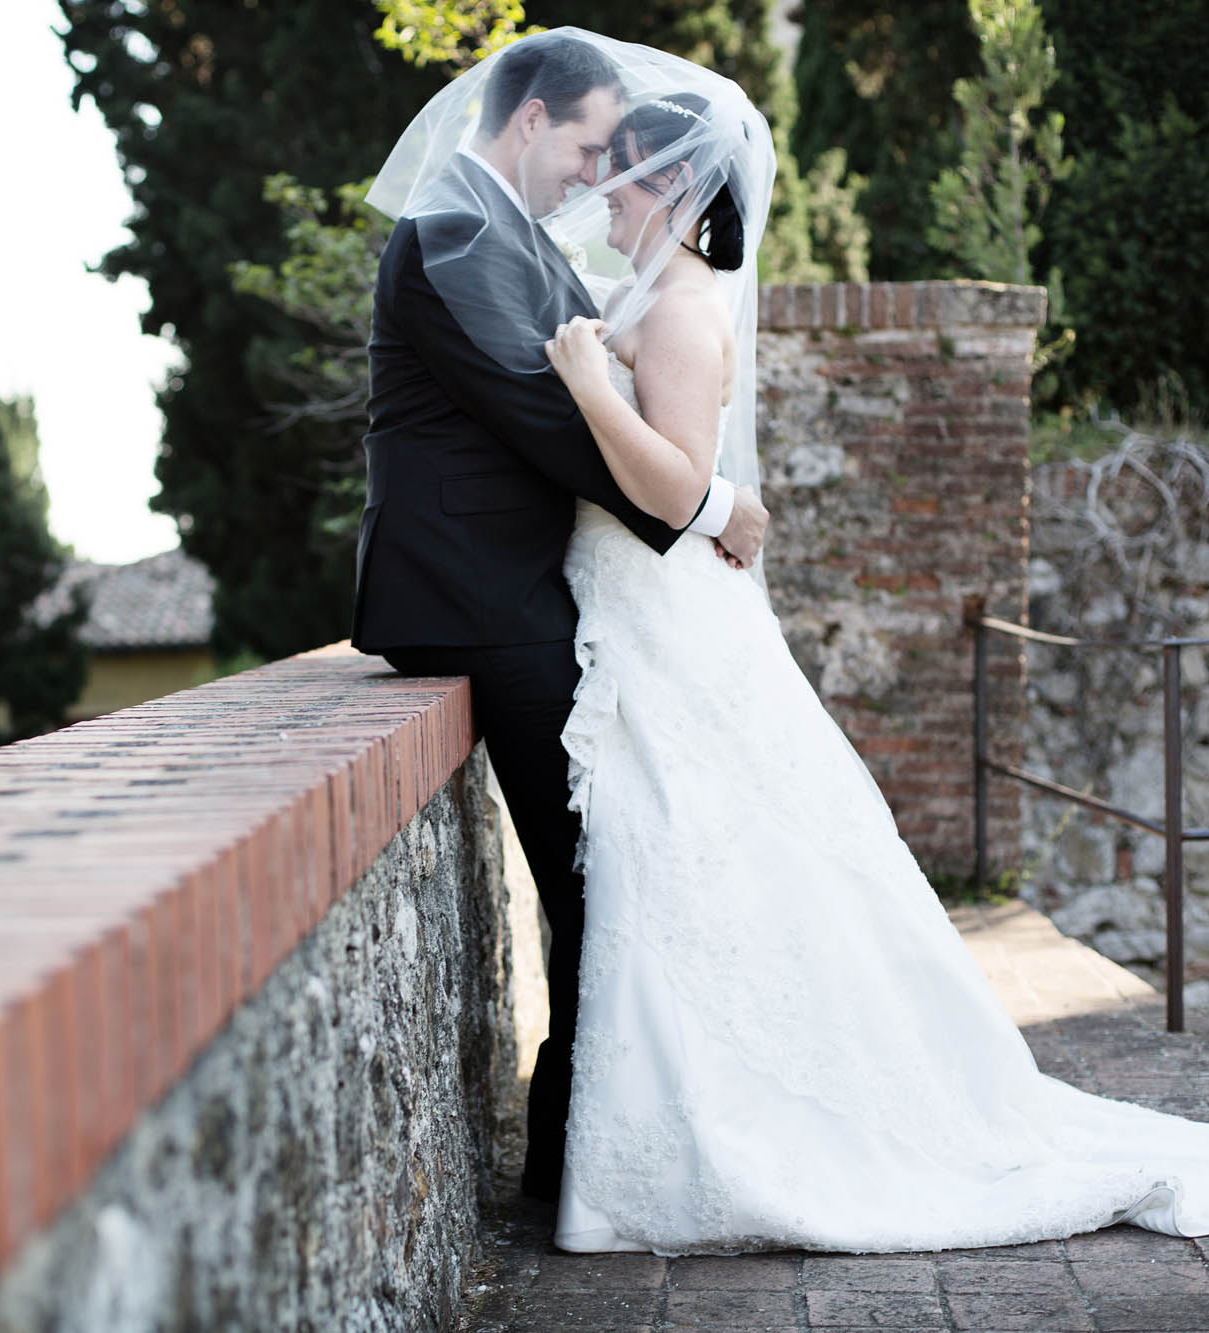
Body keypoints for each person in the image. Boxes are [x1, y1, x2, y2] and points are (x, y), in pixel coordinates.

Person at [496, 36, 1209, 1254]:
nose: (598, 195)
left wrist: (590, 384)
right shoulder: (647, 301)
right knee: (707, 868)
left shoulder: (671, 310)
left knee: (703, 857)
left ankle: (767, 1117)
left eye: (615, 176)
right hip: (656, 630)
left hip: (670, 627)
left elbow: (672, 495)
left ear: (665, 186)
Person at [350, 31, 769, 1207]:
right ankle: (573, 1155)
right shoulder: (451, 234)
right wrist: (706, 510)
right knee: (595, 877)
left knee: (605, 873)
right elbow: (548, 417)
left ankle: (584, 1145)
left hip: (522, 590)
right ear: (530, 119)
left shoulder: (507, 232)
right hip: (473, 599)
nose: (595, 174)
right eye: (586, 143)